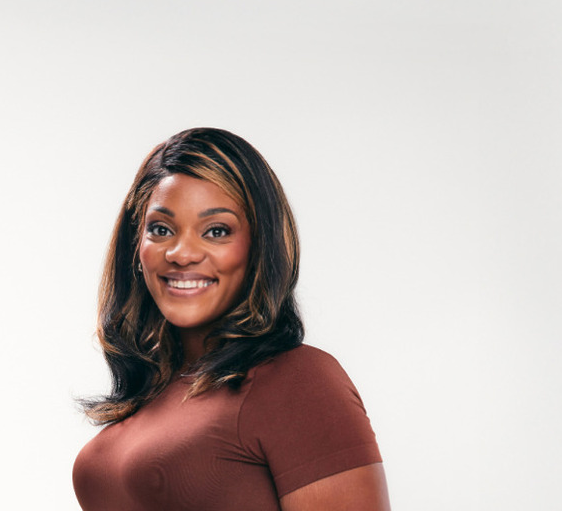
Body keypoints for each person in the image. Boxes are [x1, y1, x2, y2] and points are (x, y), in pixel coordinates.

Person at [73, 127, 392, 511]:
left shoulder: (297, 381)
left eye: (216, 231)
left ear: (258, 247)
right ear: (135, 247)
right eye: (161, 229)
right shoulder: (147, 398)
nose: (182, 253)